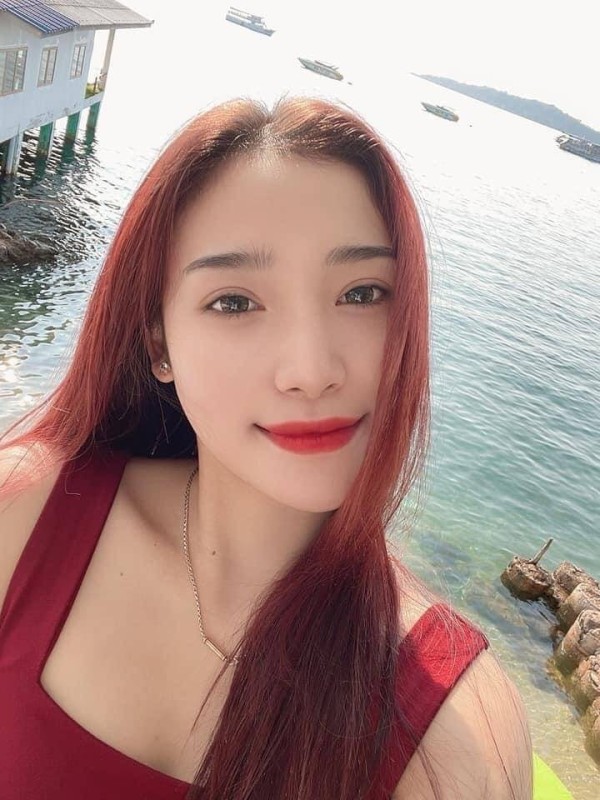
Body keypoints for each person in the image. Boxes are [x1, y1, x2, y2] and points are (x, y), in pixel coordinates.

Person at [0, 96, 532, 799]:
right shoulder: (24, 515)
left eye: (363, 293)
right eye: (234, 302)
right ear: (158, 342)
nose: (311, 371)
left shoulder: (453, 735)